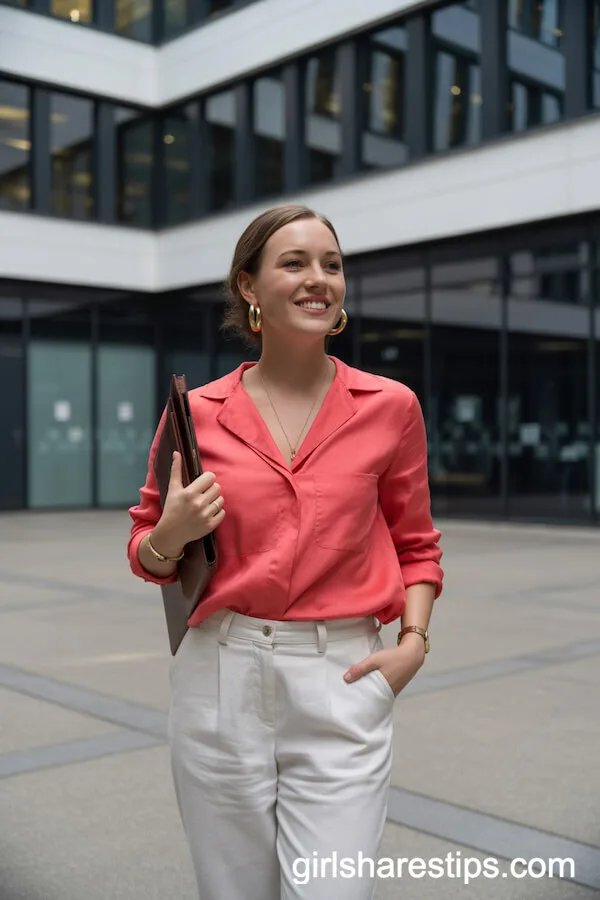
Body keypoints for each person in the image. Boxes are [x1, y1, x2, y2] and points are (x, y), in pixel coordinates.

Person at [127, 204, 444, 900]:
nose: (319, 278)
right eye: (294, 263)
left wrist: (413, 643)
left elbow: (416, 544)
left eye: (331, 265)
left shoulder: (391, 406)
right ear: (249, 286)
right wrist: (170, 534)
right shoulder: (199, 413)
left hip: (344, 679)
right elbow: (148, 555)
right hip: (221, 679)